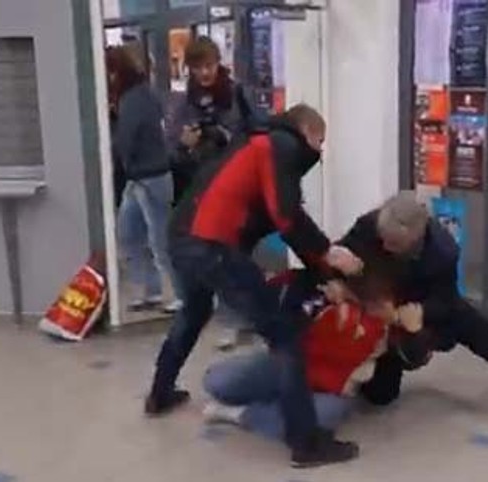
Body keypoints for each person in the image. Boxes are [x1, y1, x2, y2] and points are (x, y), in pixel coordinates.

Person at [146, 104, 365, 468]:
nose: (320, 151)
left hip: (183, 238)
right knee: (285, 337)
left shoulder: (255, 143)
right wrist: (330, 253)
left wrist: (323, 269)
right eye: (320, 141)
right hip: (212, 246)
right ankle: (306, 444)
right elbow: (287, 216)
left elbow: (281, 221)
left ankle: (160, 393)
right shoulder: (281, 146)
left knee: (195, 311)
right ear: (306, 131)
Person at [334, 192, 488, 410]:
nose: (385, 246)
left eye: (394, 244)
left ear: (415, 239)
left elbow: (443, 300)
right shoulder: (371, 225)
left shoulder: (442, 251)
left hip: (429, 302)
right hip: (384, 296)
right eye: (382, 239)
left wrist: (417, 314)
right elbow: (338, 252)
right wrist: (338, 275)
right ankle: (349, 383)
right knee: (382, 397)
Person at [201, 269, 411, 440]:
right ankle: (269, 405)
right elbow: (279, 309)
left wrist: (410, 329)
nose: (378, 308)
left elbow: (409, 357)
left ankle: (240, 414)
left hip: (326, 391)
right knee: (218, 381)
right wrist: (322, 304)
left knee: (316, 421)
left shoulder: (389, 327)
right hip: (289, 367)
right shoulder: (326, 302)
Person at [168, 36, 264, 348]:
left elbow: (259, 129)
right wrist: (186, 145)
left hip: (239, 182)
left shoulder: (236, 93)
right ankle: (231, 318)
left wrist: (229, 137)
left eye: (209, 65)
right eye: (198, 67)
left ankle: (248, 313)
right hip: (204, 186)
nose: (205, 72)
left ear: (218, 63)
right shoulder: (184, 103)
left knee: (238, 251)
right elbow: (175, 155)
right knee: (218, 253)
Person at [108, 46, 181, 313]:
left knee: (159, 241)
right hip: (142, 177)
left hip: (149, 177)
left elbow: (126, 139)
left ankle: (182, 295)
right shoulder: (143, 94)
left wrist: (117, 161)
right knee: (130, 234)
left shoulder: (132, 99)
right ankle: (151, 290)